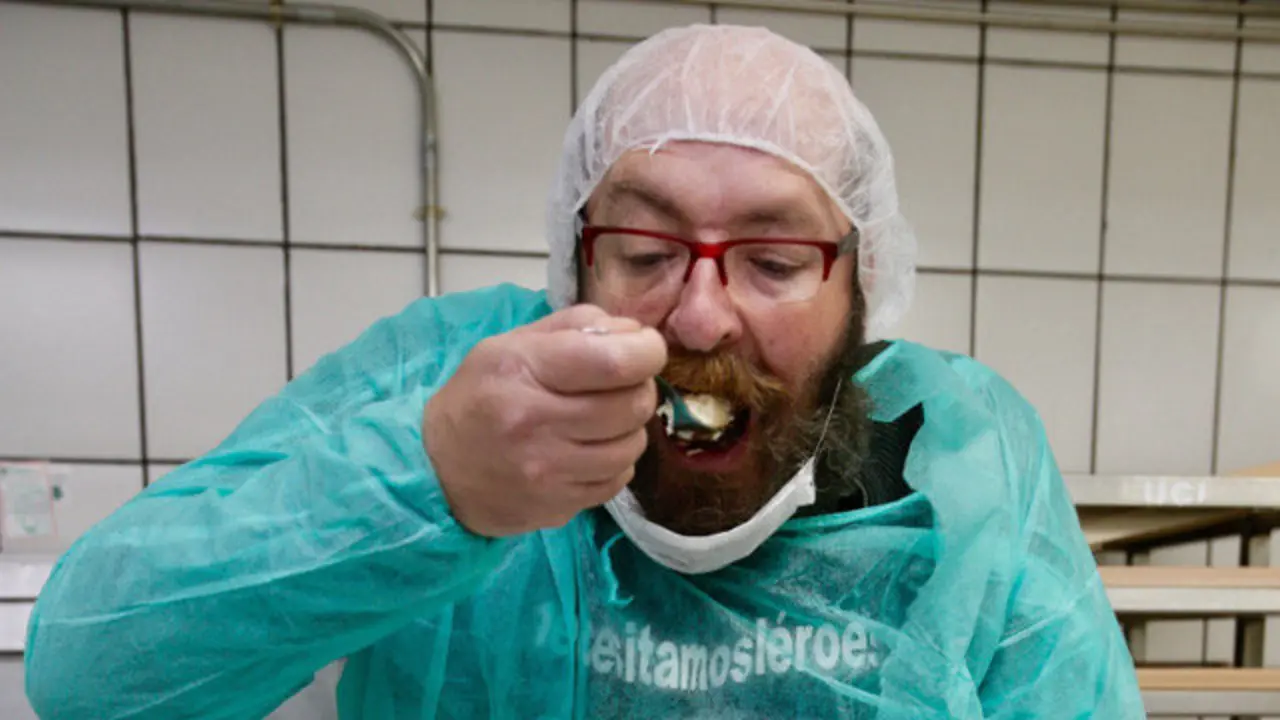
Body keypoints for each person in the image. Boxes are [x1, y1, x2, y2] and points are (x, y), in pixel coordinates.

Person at [23, 24, 1143, 719]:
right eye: (645, 253)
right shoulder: (441, 381)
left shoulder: (960, 458)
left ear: (863, 287)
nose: (699, 315)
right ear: (570, 265)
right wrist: (428, 486)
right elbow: (91, 676)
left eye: (772, 259)